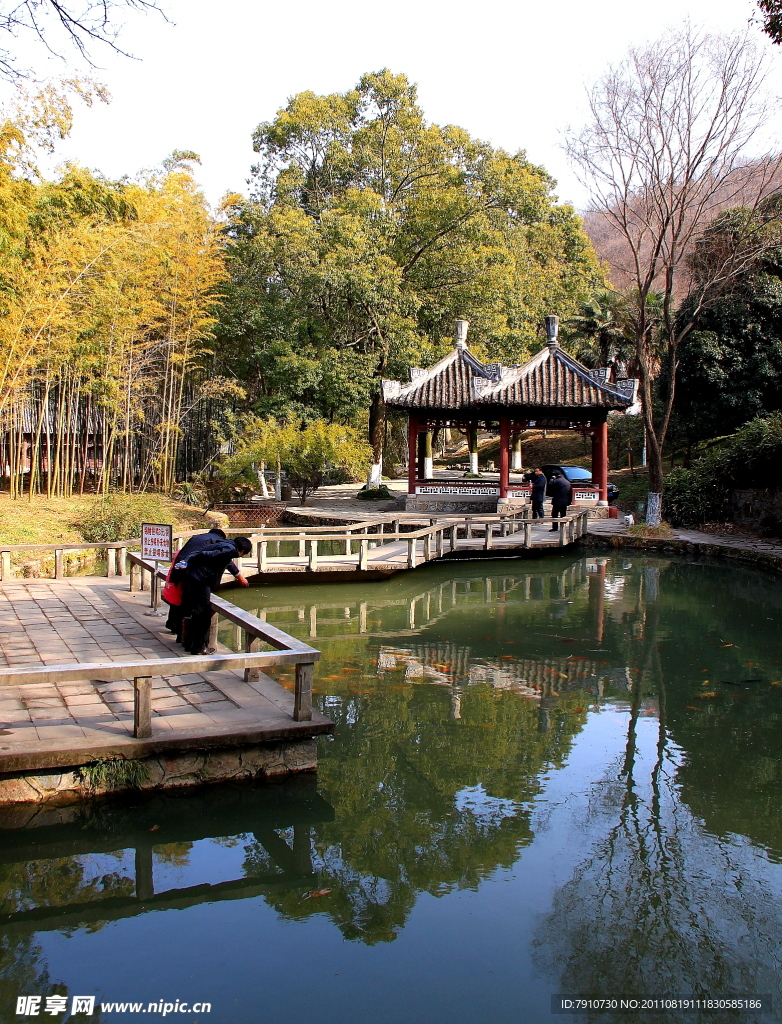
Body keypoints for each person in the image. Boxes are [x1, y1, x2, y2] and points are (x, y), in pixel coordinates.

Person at [165, 528, 248, 642]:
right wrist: (240, 577)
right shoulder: (223, 545)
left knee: (184, 602)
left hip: (182, 569)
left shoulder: (199, 537)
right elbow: (216, 557)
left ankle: (179, 632)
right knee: (200, 611)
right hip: (197, 576)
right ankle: (194, 643)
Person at [178, 536, 252, 655]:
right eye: (243, 554)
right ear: (241, 551)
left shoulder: (225, 544)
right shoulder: (229, 550)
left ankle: (189, 644)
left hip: (194, 577)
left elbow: (226, 562)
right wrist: (193, 559)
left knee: (196, 611)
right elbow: (206, 554)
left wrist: (239, 577)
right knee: (202, 614)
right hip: (201, 580)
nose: (241, 556)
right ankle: (198, 647)